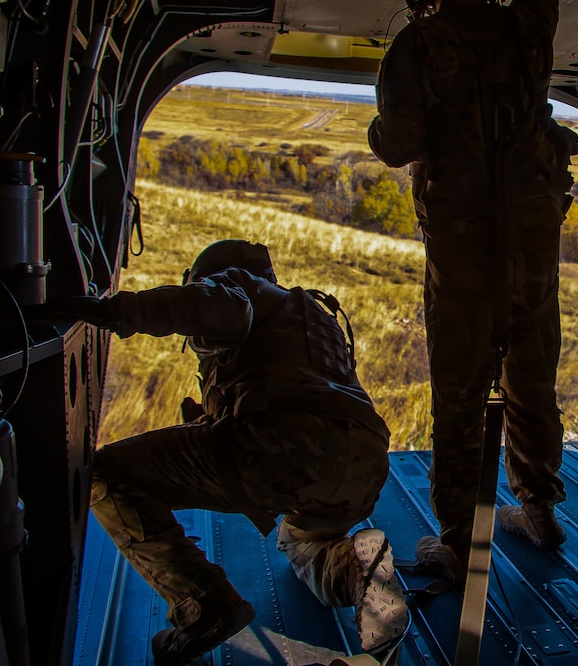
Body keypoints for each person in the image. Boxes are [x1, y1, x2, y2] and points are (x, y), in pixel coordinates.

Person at [51, 240, 409, 665]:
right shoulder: (314, 316)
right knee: (302, 543)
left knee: (106, 474)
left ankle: (202, 606)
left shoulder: (238, 286)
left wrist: (115, 311)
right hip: (364, 465)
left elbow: (220, 307)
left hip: (283, 450)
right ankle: (359, 567)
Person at [367, 0, 578, 583]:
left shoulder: (422, 46)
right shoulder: (526, 28)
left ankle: (458, 541)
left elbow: (396, 145)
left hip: (464, 255)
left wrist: (390, 131)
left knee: (459, 395)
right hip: (532, 250)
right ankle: (539, 508)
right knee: (532, 379)